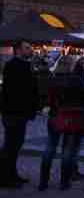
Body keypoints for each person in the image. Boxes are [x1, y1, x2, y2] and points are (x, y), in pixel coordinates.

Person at [39, 55, 84, 191]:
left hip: (55, 116)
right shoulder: (76, 80)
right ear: (71, 65)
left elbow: (46, 97)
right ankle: (64, 182)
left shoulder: (53, 79)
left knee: (49, 149)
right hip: (72, 117)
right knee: (68, 151)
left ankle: (43, 182)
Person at [0, 41, 38, 189]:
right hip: (13, 112)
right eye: (27, 48)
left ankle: (12, 174)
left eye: (30, 48)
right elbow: (16, 91)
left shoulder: (24, 65)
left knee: (15, 145)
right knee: (11, 146)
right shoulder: (13, 66)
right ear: (18, 50)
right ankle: (5, 178)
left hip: (20, 112)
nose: (31, 50)